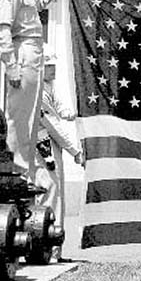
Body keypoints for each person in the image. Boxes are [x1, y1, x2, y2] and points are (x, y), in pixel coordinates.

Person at [0, 0, 63, 185]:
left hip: (32, 54)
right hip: (23, 54)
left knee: (31, 117)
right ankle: (16, 171)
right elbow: (3, 29)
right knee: (20, 117)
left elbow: (40, 4)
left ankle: (24, 171)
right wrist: (11, 65)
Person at [35, 44, 84, 258]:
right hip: (43, 147)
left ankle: (53, 248)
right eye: (49, 65)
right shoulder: (37, 92)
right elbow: (52, 125)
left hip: (47, 145)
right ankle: (47, 249)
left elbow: (58, 109)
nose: (53, 69)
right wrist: (75, 150)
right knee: (50, 194)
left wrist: (67, 112)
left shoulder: (47, 88)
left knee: (54, 194)